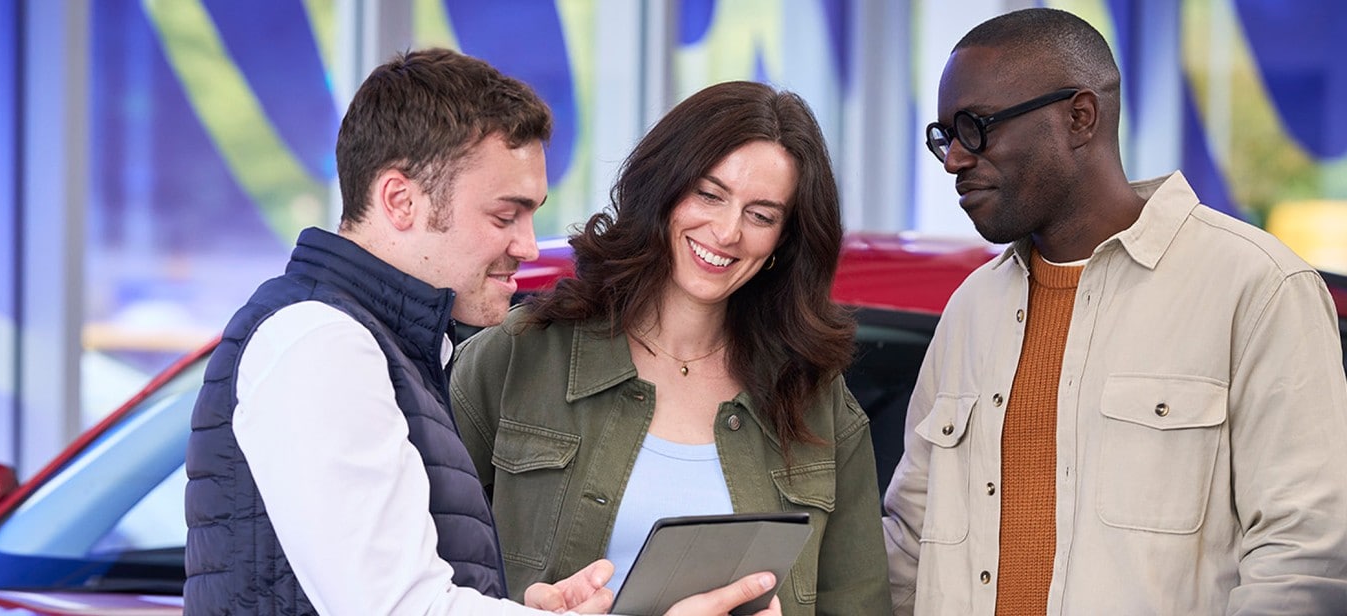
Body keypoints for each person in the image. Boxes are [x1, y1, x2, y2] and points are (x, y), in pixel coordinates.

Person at [183, 48, 783, 615]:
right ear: (400, 200)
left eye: (531, 214)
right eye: (504, 215)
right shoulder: (323, 343)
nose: (526, 245)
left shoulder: (379, 344)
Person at [881, 7, 1347, 615]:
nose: (954, 160)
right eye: (945, 135)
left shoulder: (1256, 287)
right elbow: (908, 549)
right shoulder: (970, 308)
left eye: (977, 127)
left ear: (1080, 117)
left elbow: (1304, 558)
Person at [450, 80, 893, 616]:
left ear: (784, 241)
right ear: (663, 188)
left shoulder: (817, 400)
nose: (728, 231)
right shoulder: (515, 359)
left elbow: (859, 606)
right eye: (709, 194)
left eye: (762, 215)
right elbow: (411, 585)